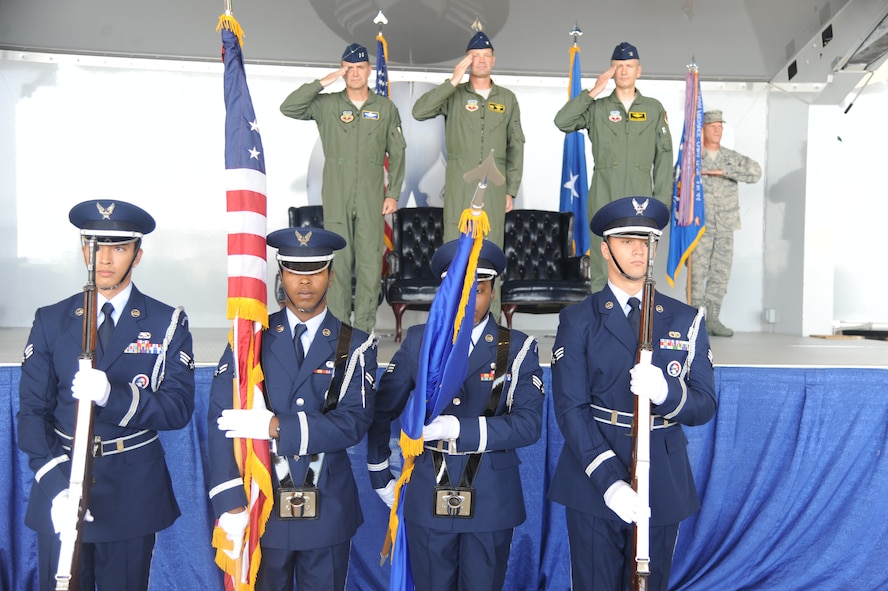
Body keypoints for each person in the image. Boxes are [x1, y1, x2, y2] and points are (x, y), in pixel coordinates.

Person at [17, 199, 196, 591]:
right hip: (62, 487)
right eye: (95, 246)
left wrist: (111, 396)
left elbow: (178, 408)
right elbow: (31, 414)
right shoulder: (51, 319)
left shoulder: (166, 322)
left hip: (132, 491)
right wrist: (56, 487)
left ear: (138, 255)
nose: (104, 258)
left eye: (119, 248)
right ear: (84, 250)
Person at [548, 196, 717, 590]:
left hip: (661, 472)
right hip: (593, 473)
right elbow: (570, 409)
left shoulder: (684, 318)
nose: (640, 249)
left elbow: (704, 403)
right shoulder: (578, 320)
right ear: (605, 249)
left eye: (647, 240)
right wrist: (609, 481)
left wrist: (667, 392)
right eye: (627, 241)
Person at [367, 239, 543, 591]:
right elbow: (381, 408)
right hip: (426, 491)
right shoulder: (420, 341)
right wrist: (378, 473)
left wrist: (457, 428)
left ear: (491, 292)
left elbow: (529, 424)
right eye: (458, 290)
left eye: (477, 290)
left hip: (490, 498)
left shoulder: (518, 347)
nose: (468, 300)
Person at [208, 226, 377, 591]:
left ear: (331, 276)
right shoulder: (251, 338)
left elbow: (354, 422)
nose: (304, 282)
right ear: (280, 275)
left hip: (328, 510)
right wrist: (230, 501)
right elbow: (220, 418)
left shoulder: (355, 345)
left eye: (315, 271)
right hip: (263, 506)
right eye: (295, 272)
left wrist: (275, 427)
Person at [280, 43, 406, 334]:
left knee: (369, 264)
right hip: (337, 195)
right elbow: (289, 107)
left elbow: (398, 152)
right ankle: (336, 329)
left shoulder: (385, 108)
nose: (354, 73)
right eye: (348, 68)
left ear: (369, 71)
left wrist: (393, 193)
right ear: (342, 70)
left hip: (372, 196)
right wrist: (324, 81)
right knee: (336, 263)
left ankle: (362, 330)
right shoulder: (328, 105)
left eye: (360, 68)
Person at [412, 30, 525, 318]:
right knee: (456, 254)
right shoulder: (454, 94)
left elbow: (517, 144)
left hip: (495, 188)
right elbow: (419, 111)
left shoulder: (507, 99)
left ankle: (492, 327)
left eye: (486, 56)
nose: (482, 61)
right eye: (475, 56)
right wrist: (453, 79)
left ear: (493, 60)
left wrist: (511, 189)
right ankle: (454, 322)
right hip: (460, 186)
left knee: (491, 255)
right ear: (467, 60)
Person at [554, 41, 673, 291]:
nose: (624, 71)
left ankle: (636, 324)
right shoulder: (597, 108)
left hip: (641, 199)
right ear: (611, 70)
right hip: (603, 194)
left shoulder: (653, 109)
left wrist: (660, 203)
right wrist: (593, 92)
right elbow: (563, 121)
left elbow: (664, 156)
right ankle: (601, 321)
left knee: (638, 263)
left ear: (638, 70)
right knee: (602, 260)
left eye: (629, 66)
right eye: (618, 66)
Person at [692, 109, 762, 337]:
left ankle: (712, 318)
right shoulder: (691, 159)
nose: (717, 130)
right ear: (702, 130)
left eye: (720, 126)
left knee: (720, 273)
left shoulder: (731, 157)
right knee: (697, 274)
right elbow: (678, 187)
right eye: (712, 126)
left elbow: (756, 172)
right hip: (699, 225)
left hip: (725, 225)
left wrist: (725, 171)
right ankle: (695, 319)